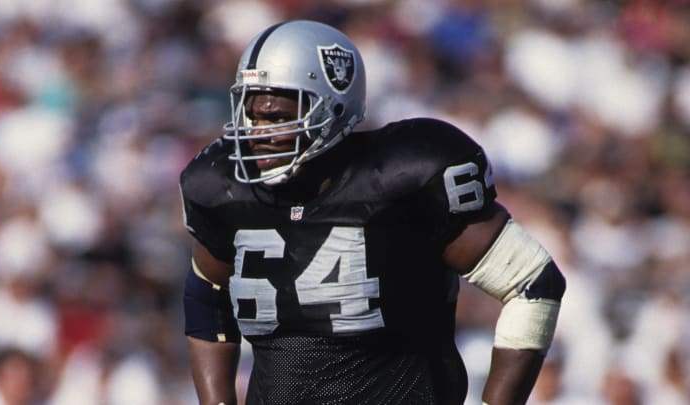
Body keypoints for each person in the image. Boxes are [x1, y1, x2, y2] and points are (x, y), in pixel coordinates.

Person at [179, 19, 565, 405]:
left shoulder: (402, 177)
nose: (258, 131)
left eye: (277, 117)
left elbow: (532, 281)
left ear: (332, 106)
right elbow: (206, 295)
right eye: (253, 115)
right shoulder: (223, 189)